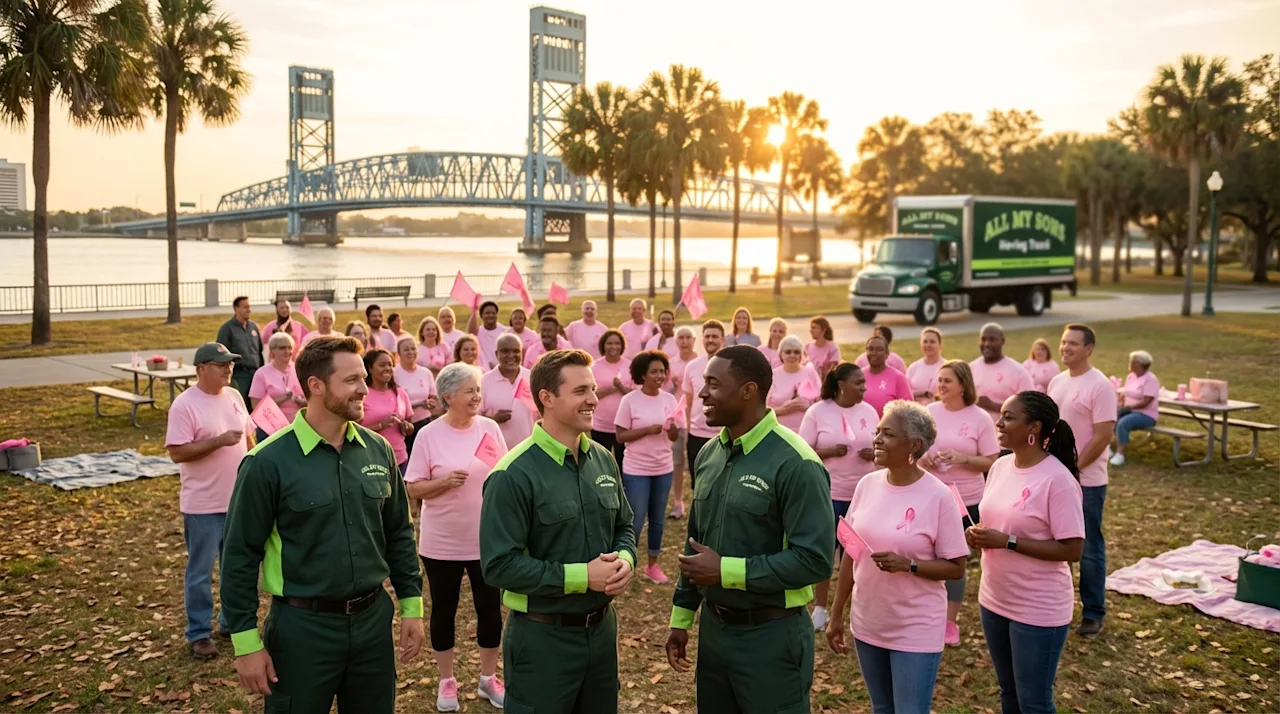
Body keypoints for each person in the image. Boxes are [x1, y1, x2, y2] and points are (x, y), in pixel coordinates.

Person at [220, 335, 424, 713]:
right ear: (315, 386)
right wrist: (246, 642)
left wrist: (411, 605)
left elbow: (398, 532)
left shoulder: (378, 450)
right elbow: (238, 554)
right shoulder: (267, 463)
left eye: (363, 378)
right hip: (302, 629)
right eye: (351, 381)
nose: (365, 388)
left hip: (372, 622)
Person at [665, 345, 834, 714]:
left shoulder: (797, 463)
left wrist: (725, 570)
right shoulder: (708, 453)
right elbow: (697, 543)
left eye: (713, 383)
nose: (703, 392)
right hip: (714, 632)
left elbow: (815, 561)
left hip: (771, 636)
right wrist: (682, 617)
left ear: (748, 391)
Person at [478, 349, 636, 714]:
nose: (594, 399)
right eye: (581, 391)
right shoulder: (512, 474)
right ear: (547, 398)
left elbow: (624, 525)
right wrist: (584, 577)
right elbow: (499, 566)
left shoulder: (603, 457)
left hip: (601, 634)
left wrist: (625, 559)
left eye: (593, 389)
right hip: (542, 639)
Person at [826, 400, 968, 714]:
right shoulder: (866, 485)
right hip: (869, 621)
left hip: (915, 626)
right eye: (877, 431)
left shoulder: (938, 496)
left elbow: (956, 567)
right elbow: (852, 550)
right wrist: (836, 614)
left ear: (913, 445)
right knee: (882, 708)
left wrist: (910, 565)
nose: (876, 439)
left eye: (887, 433)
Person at [967, 391, 1084, 714]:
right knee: (1009, 692)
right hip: (994, 599)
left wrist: (1007, 541)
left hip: (1037, 608)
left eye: (1008, 417)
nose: (998, 422)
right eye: (1001, 415)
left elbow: (1073, 548)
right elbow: (994, 520)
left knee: (1033, 701)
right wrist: (977, 534)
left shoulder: (1057, 480)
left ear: (1033, 427)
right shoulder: (1001, 466)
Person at [405, 363, 508, 711]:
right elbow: (414, 488)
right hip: (441, 543)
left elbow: (504, 475)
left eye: (478, 390)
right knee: (444, 610)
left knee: (489, 609)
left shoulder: (490, 429)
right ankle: (447, 680)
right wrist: (444, 483)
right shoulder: (428, 435)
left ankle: (488, 678)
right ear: (448, 396)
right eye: (469, 391)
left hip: (486, 541)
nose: (477, 396)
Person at [166, 342, 255, 660]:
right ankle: (199, 633)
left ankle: (231, 622)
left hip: (237, 501)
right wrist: (217, 442)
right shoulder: (184, 405)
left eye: (230, 363)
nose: (228, 368)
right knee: (201, 571)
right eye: (220, 364)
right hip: (203, 505)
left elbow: (248, 436)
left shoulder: (233, 397)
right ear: (201, 368)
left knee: (235, 568)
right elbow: (177, 451)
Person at [921, 360, 1000, 645]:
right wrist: (923, 457)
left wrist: (964, 458)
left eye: (947, 381)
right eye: (939, 380)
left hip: (966, 500)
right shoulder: (928, 413)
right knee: (927, 556)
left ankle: (949, 622)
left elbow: (991, 460)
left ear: (963, 386)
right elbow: (914, 449)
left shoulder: (979, 418)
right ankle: (927, 614)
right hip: (928, 496)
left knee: (955, 560)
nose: (940, 386)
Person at [1046, 324, 1115, 638]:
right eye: (1063, 342)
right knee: (1055, 544)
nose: (1065, 348)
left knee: (1087, 547)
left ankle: (1093, 612)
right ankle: (1056, 606)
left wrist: (1074, 469)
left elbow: (1103, 436)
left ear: (1089, 348)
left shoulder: (1099, 386)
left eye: (1073, 343)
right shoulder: (1057, 381)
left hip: (1087, 481)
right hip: (1053, 479)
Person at [799, 362, 877, 633]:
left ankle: (848, 609)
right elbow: (802, 452)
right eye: (859, 383)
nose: (864, 388)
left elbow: (882, 446)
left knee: (855, 555)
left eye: (865, 383)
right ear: (841, 385)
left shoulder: (868, 411)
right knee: (825, 551)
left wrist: (875, 454)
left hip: (863, 495)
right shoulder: (818, 412)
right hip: (828, 494)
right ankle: (819, 608)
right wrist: (829, 451)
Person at [615, 350, 681, 585]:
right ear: (643, 374)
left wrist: (671, 428)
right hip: (636, 470)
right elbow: (621, 436)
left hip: (663, 467)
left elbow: (674, 437)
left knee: (658, 520)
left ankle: (652, 566)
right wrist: (647, 429)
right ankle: (625, 564)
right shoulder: (629, 400)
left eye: (662, 371)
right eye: (654, 371)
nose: (659, 375)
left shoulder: (670, 400)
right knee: (635, 519)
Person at [671, 319, 725, 519]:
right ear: (702, 339)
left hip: (724, 435)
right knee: (699, 483)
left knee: (723, 482)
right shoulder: (693, 367)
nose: (710, 340)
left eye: (714, 336)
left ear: (723, 339)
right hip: (696, 435)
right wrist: (686, 432)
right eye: (707, 336)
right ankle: (702, 520)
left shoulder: (732, 366)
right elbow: (688, 401)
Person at [360, 348, 415, 474]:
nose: (387, 368)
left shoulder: (400, 393)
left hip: (400, 460)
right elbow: (353, 429)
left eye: (390, 365)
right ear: (370, 368)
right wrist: (380, 425)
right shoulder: (362, 394)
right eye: (382, 365)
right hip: (371, 461)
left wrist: (406, 427)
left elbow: (410, 427)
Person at [482, 333, 538, 449]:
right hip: (497, 454)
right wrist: (494, 419)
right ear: (497, 354)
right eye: (505, 351)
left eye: (516, 351)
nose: (511, 355)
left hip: (529, 451)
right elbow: (473, 419)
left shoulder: (533, 378)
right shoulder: (484, 382)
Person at [971, 323, 1035, 421]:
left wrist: (992, 405)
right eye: (983, 339)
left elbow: (1030, 408)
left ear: (1002, 341)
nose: (987, 344)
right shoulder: (970, 368)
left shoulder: (1018, 372)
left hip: (1005, 434)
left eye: (992, 339)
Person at [248, 332, 307, 433]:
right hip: (271, 429)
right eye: (282, 348)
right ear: (272, 352)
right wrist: (283, 398)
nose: (287, 351)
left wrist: (301, 402)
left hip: (299, 425)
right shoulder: (261, 374)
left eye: (290, 347)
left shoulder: (300, 369)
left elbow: (312, 400)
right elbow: (256, 407)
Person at [395, 335, 442, 458]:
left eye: (413, 348)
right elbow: (394, 404)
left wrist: (431, 403)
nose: (410, 352)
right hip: (405, 427)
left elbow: (433, 397)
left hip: (425, 423)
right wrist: (419, 404)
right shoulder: (394, 374)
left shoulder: (425, 373)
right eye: (406, 349)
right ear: (398, 353)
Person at [591, 330, 633, 464]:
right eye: (609, 343)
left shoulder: (630, 366)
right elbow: (590, 395)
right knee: (601, 464)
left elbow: (634, 395)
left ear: (622, 346)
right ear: (603, 345)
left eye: (617, 343)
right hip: (600, 426)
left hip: (624, 426)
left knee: (622, 464)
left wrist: (620, 387)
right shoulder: (595, 367)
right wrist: (611, 389)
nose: (613, 347)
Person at [1111, 350, 1160, 466]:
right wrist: (1122, 403)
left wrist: (1129, 407)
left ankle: (1119, 454)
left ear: (1141, 365)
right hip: (1130, 410)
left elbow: (1147, 401)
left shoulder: (1151, 379)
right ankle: (1106, 448)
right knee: (1110, 418)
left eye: (1133, 362)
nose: (1130, 364)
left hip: (1146, 414)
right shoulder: (1131, 377)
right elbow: (1127, 392)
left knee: (1123, 423)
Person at [766, 335, 822, 432]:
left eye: (796, 352)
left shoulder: (810, 374)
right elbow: (763, 411)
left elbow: (821, 406)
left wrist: (806, 408)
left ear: (801, 355)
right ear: (781, 354)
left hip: (806, 431)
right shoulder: (772, 375)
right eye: (788, 352)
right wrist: (784, 410)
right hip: (779, 431)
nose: (792, 355)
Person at [216, 296, 263, 405]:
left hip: (255, 374)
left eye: (249, 307)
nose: (249, 310)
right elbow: (221, 355)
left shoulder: (253, 327)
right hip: (239, 375)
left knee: (257, 406)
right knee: (240, 405)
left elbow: (259, 351)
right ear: (236, 309)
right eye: (245, 307)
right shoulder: (227, 329)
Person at [861, 335, 913, 417]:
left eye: (879, 349)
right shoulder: (859, 375)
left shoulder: (898, 378)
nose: (874, 353)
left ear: (887, 354)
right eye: (870, 349)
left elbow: (908, 410)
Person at [906, 327, 946, 404]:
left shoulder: (947, 367)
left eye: (932, 342)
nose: (928, 345)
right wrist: (920, 393)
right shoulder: (913, 368)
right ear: (921, 345)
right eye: (925, 342)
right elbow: (905, 393)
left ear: (940, 345)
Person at [468, 300, 506, 371]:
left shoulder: (505, 332)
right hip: (483, 371)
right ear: (481, 316)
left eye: (493, 313)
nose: (491, 315)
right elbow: (470, 334)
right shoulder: (478, 332)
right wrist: (474, 311)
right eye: (487, 313)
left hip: (502, 370)